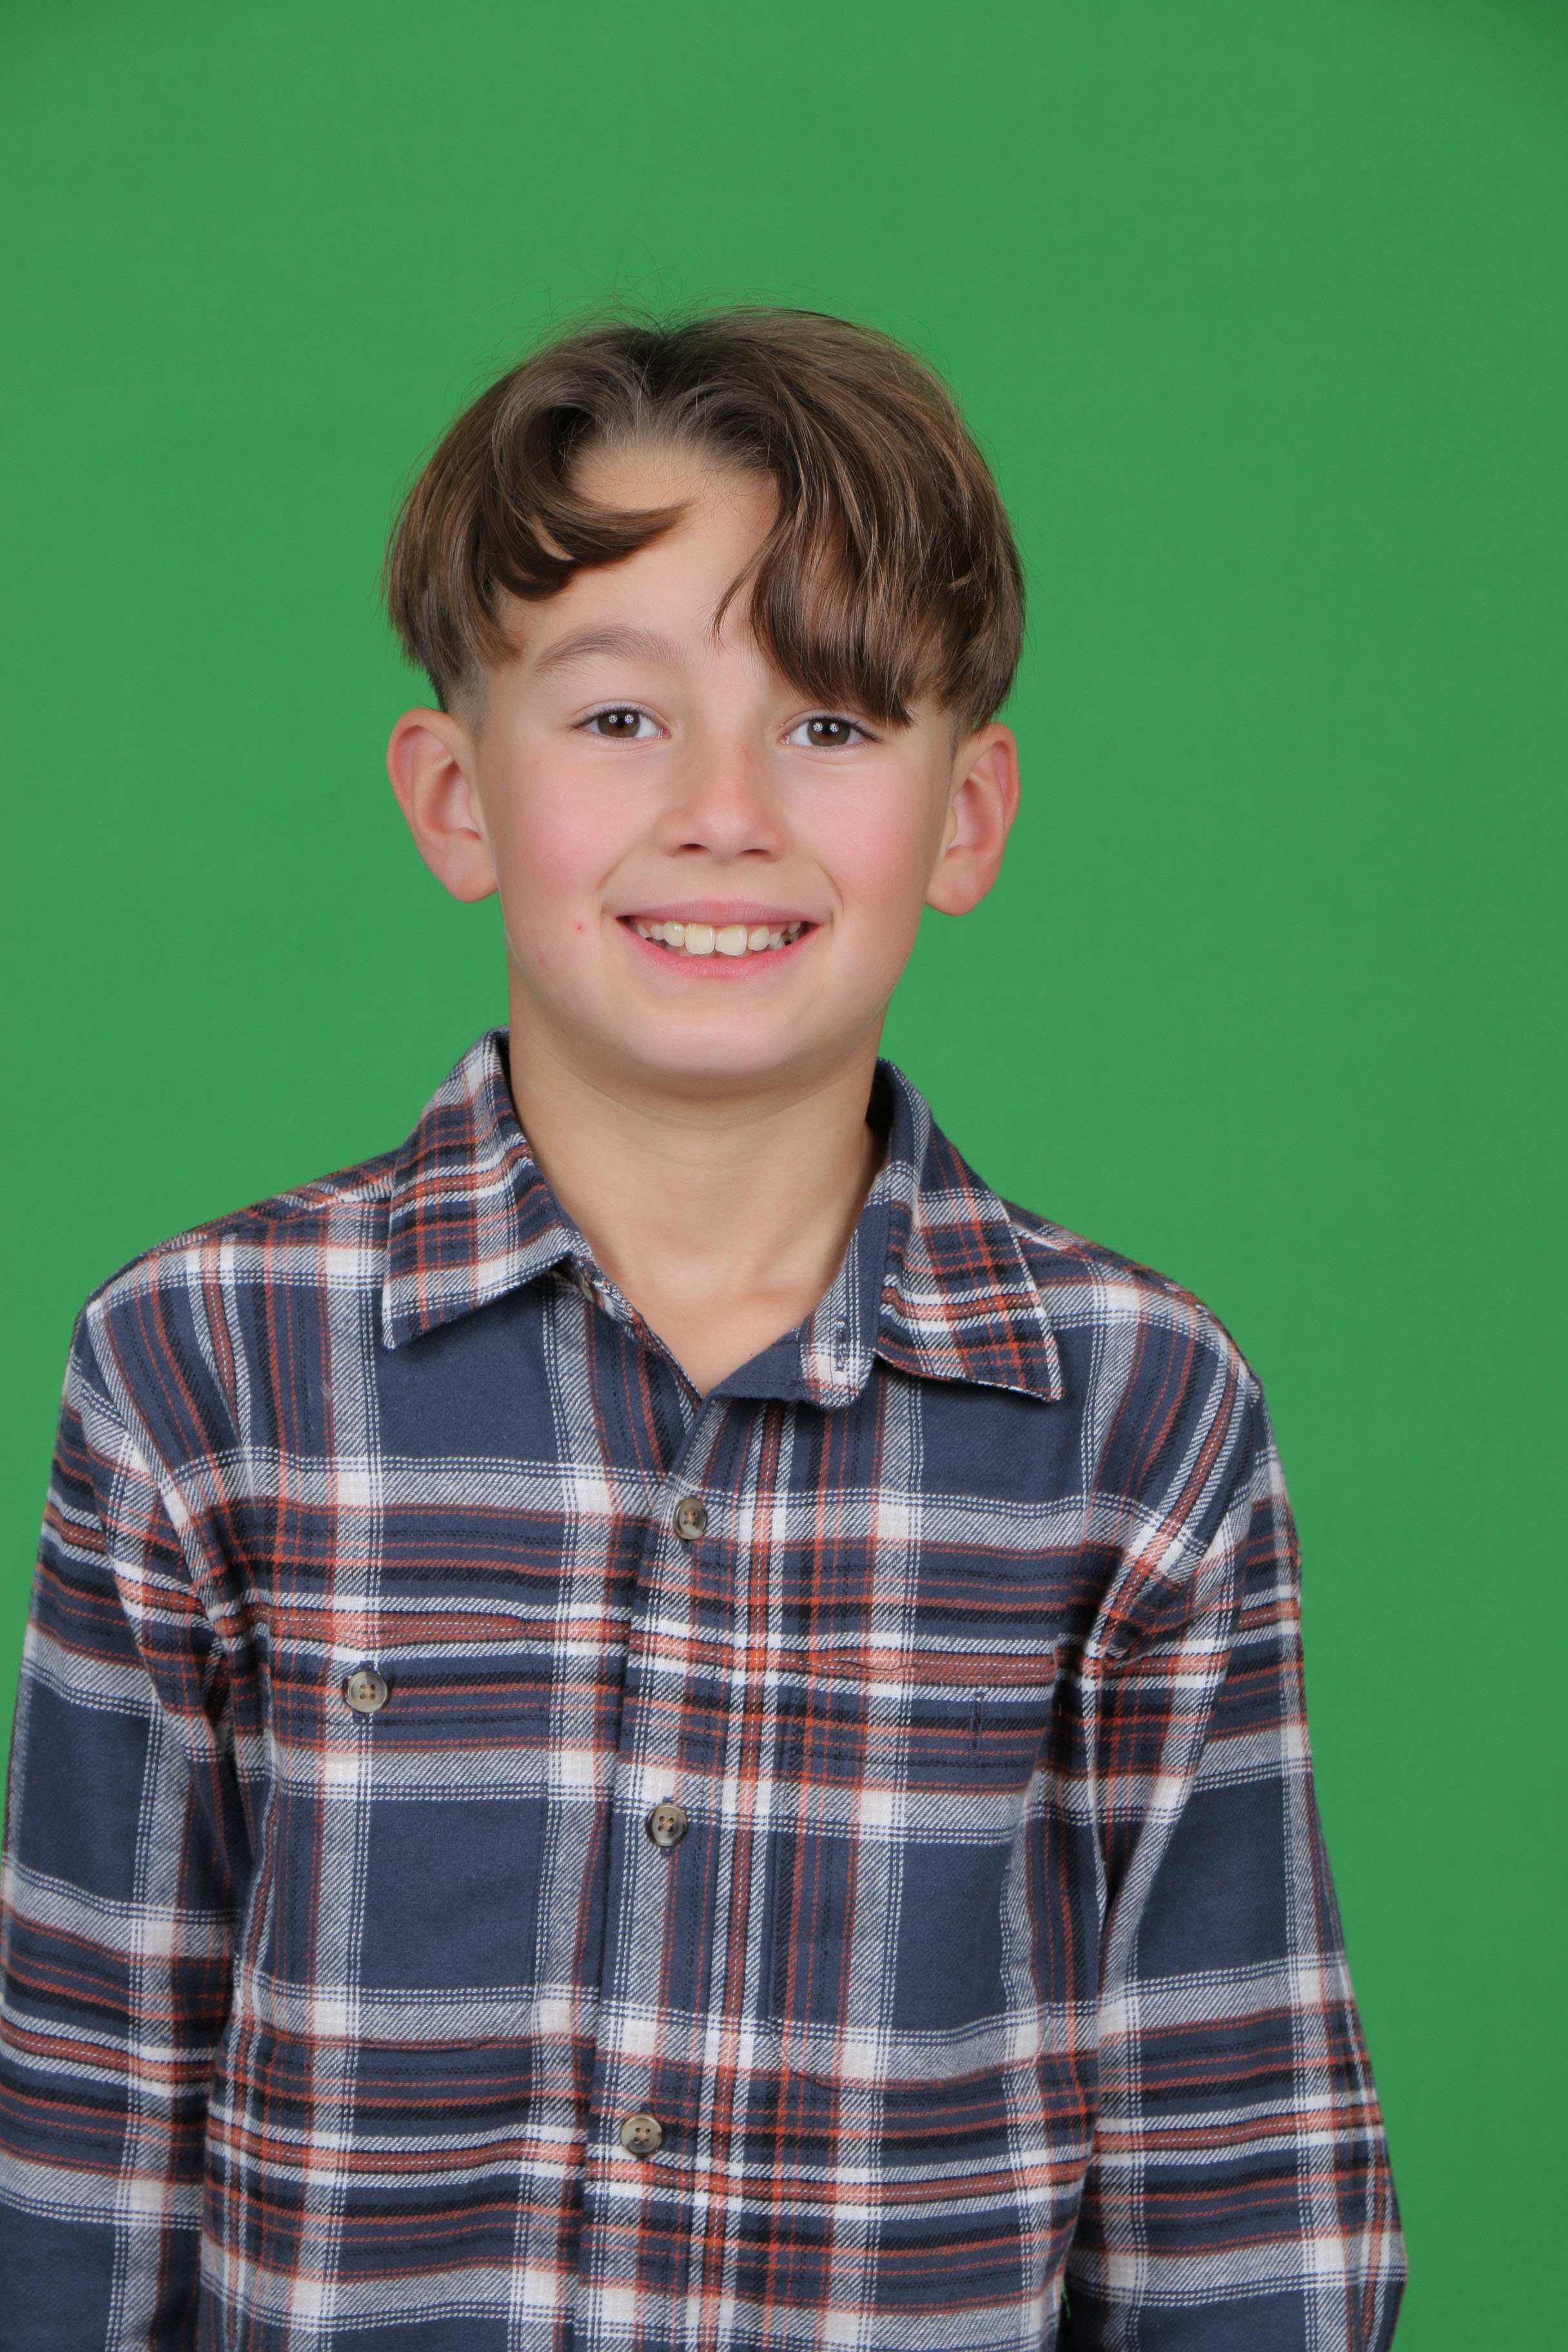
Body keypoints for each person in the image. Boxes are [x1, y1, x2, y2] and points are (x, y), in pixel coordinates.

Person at [0, 309, 1404, 2349]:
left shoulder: (1140, 1423)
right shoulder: (201, 1376)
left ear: (968, 813)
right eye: (618, 716)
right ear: (455, 795)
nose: (726, 810)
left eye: (829, 724)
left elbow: (1244, 2193)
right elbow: (73, 2152)